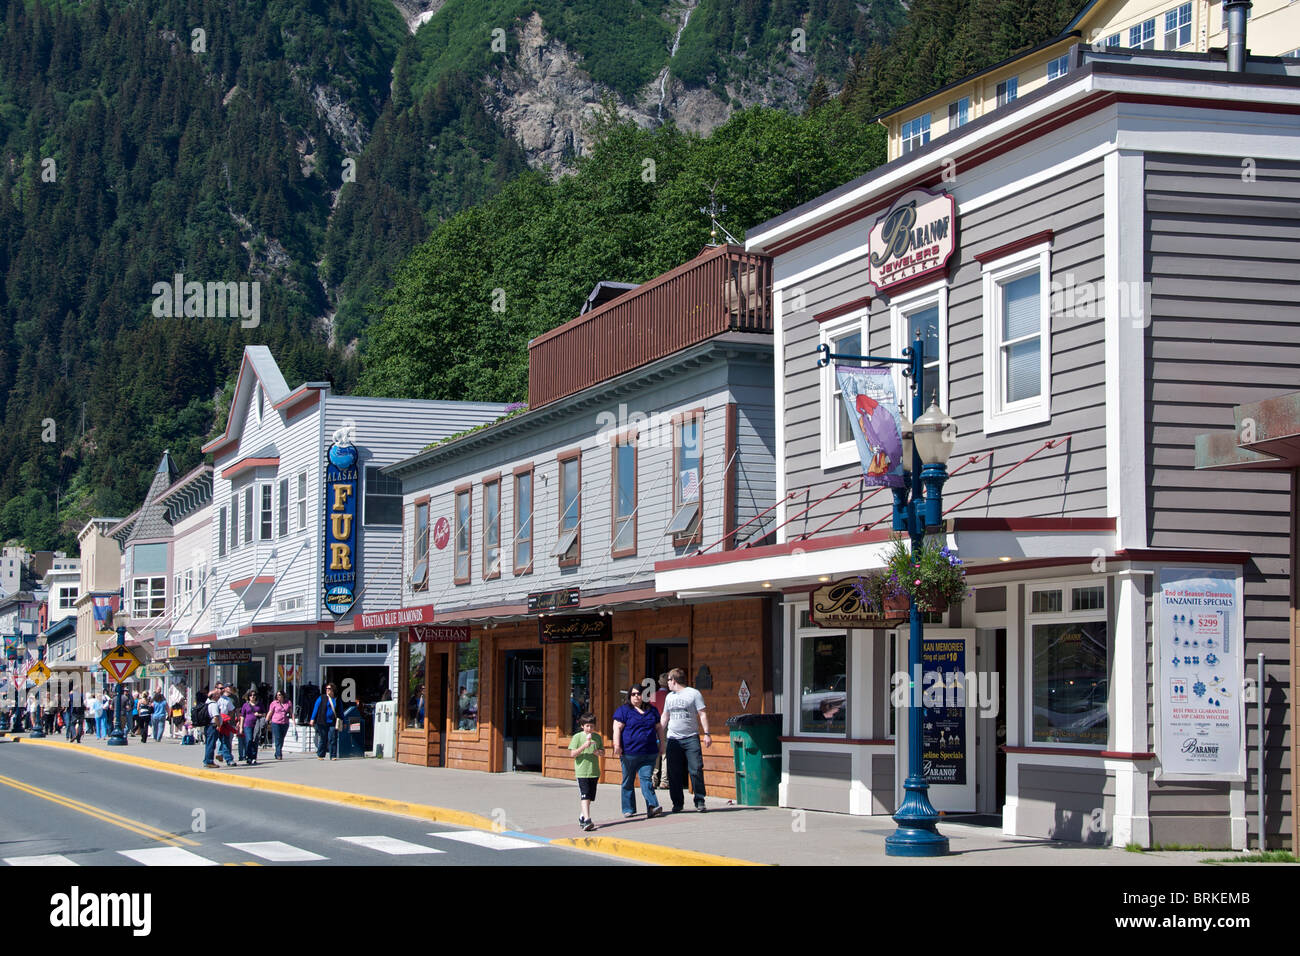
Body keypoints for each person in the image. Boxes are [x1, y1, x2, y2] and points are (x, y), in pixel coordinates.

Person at [659, 668, 712, 813]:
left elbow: (702, 714)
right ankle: (677, 803)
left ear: (674, 680)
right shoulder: (669, 697)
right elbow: (665, 716)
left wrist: (707, 733)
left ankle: (700, 800)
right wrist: (658, 733)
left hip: (691, 738)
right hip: (673, 739)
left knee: (695, 769)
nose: (667, 683)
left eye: (668, 680)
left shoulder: (694, 694)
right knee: (673, 772)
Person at [612, 685, 664, 819]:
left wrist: (662, 745)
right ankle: (628, 809)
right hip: (629, 753)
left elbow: (659, 728)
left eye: (639, 694)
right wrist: (617, 745)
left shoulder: (652, 710)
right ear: (629, 696)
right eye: (633, 694)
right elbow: (617, 727)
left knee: (646, 780)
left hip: (649, 752)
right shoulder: (624, 711)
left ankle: (652, 806)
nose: (636, 697)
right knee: (628, 781)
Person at [568, 712, 604, 831]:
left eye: (592, 726)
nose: (590, 729)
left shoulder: (597, 737)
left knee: (589, 797)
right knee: (584, 795)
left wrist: (597, 752)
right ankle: (588, 820)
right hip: (582, 771)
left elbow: (602, 752)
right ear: (582, 726)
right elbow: (572, 754)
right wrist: (584, 746)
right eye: (587, 726)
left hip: (594, 771)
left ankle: (582, 817)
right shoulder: (577, 737)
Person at [311, 683, 342, 760]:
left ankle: (333, 755)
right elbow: (316, 708)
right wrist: (312, 718)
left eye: (329, 689)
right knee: (323, 738)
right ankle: (321, 755)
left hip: (333, 722)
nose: (327, 690)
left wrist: (343, 721)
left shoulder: (337, 699)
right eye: (326, 689)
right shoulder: (322, 698)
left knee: (332, 738)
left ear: (333, 690)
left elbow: (340, 711)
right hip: (322, 721)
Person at [652, 673, 670, 788]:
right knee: (665, 754)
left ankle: (653, 779)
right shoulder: (671, 695)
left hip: (654, 725)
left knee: (655, 753)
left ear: (659, 682)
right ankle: (664, 781)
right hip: (668, 725)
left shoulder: (653, 695)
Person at [239, 690, 264, 765]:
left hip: (257, 724)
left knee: (255, 740)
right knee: (249, 740)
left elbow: (264, 714)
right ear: (248, 697)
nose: (252, 696)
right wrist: (241, 727)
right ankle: (248, 757)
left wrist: (259, 714)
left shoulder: (259, 704)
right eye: (250, 695)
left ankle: (254, 757)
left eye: (254, 695)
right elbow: (242, 716)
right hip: (247, 725)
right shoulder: (245, 705)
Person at [215, 684, 237, 765]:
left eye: (222, 688)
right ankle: (210, 759)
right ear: (216, 689)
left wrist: (227, 718)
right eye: (220, 688)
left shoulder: (227, 699)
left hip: (224, 722)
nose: (222, 690)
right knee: (212, 742)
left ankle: (228, 759)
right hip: (214, 722)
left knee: (225, 740)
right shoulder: (213, 698)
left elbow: (232, 710)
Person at [200, 688, 222, 768]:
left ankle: (207, 760)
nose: (219, 696)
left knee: (209, 744)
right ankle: (209, 761)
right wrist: (219, 725)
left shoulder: (207, 703)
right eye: (217, 695)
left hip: (208, 726)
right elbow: (215, 717)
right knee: (211, 744)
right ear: (214, 696)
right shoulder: (214, 705)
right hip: (212, 726)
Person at [267, 690, 292, 760]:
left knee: (282, 738)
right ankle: (279, 754)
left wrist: (293, 720)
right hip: (276, 722)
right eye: (277, 695)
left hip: (285, 722)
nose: (278, 696)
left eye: (280, 695)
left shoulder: (288, 703)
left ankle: (277, 752)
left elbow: (291, 712)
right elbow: (270, 712)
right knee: (278, 738)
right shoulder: (274, 703)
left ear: (283, 695)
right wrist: (267, 720)